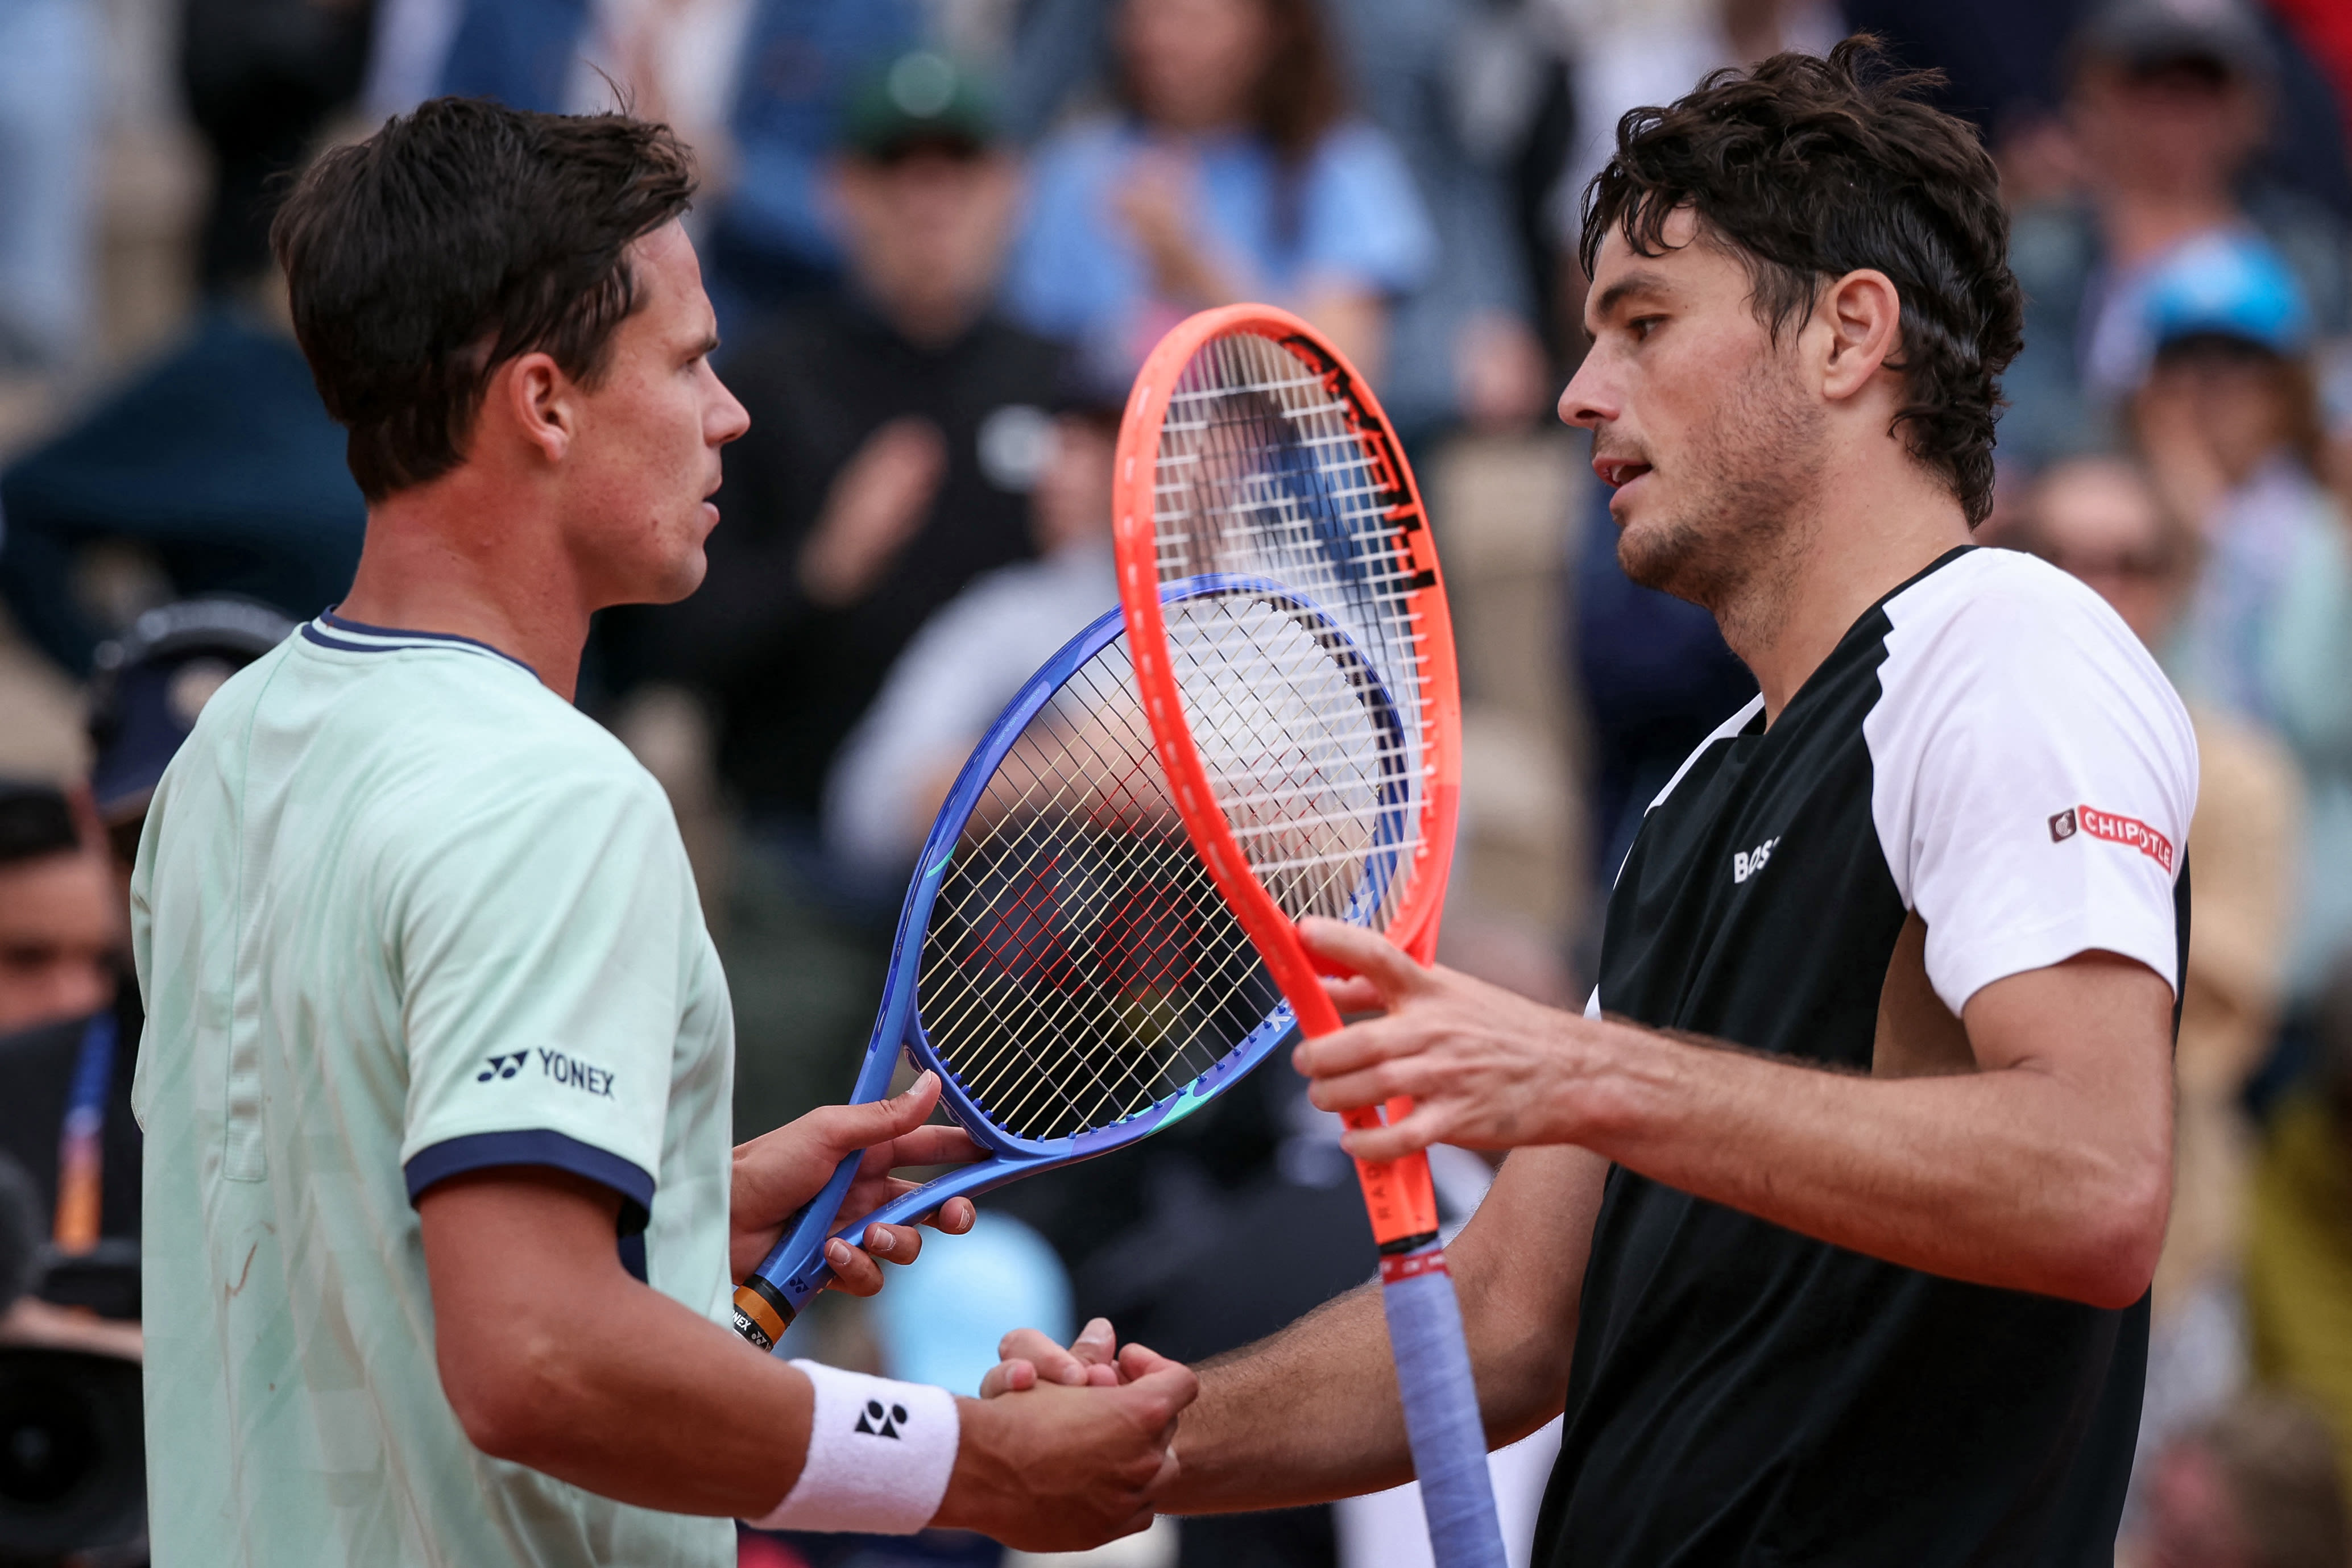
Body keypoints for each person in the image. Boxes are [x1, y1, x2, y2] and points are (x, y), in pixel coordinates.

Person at [996, 40, 2196, 1563]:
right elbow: (1503, 1320)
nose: (1579, 395)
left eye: (1644, 322)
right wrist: (1149, 1441)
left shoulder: (2009, 645)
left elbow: (2095, 1183)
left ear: (1848, 336)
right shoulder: (1701, 789)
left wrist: (1583, 1070)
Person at [131, 97, 1193, 1567]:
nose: (731, 412)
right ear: (546, 402)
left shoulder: (231, 746)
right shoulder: (553, 794)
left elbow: (378, 1266)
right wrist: (974, 1458)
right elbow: (539, 1359)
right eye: (690, 362)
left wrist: (679, 1219)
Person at [2009, 456, 2301, 1545]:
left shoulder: (2242, 777)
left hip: (2178, 1251)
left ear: (2173, 583)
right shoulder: (1950, 752)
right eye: (2064, 560)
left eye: (2130, 561)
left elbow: (2223, 1017)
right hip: (1984, 1240)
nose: (2100, 587)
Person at [2129, 233, 2352, 1007]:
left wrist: (2210, 536)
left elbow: (2314, 715)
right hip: (2154, 921)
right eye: (2185, 364)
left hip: (2308, 937)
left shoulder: (2326, 530)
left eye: (2240, 365)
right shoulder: (2105, 528)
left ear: (2287, 388)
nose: (2210, 389)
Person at [1003, 0, 1434, 386]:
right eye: (1143, 15)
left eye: (1192, 19)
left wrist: (1191, 267)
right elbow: (1029, 371)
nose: (1160, 40)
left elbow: (1336, 390)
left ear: (1270, 30)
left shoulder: (1343, 170)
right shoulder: (1073, 169)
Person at [822, 396, 1120, 884]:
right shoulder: (1009, 613)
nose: (1067, 469)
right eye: (1066, 443)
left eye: (1101, 445)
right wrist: (1077, 768)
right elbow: (868, 812)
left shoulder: (1254, 615)